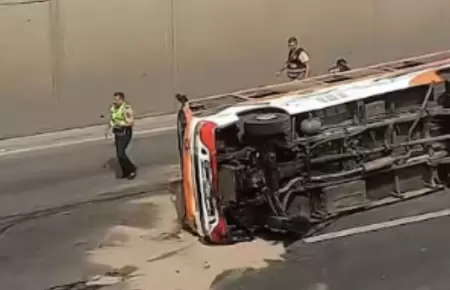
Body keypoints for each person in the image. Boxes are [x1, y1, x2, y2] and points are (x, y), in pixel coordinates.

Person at [106, 92, 137, 179]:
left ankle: (132, 169)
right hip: (117, 133)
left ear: (122, 100)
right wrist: (110, 125)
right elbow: (112, 118)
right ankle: (125, 171)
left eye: (117, 100)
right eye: (115, 99)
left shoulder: (127, 109)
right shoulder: (114, 108)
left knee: (121, 154)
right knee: (119, 154)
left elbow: (131, 122)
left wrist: (120, 123)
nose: (115, 101)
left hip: (125, 132)